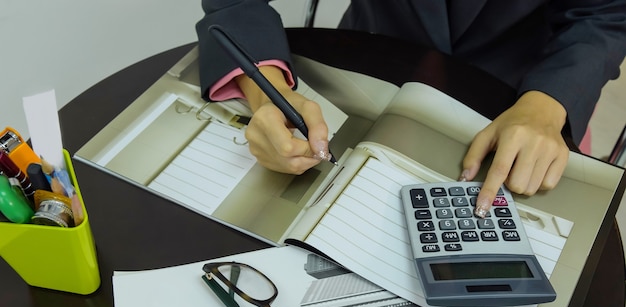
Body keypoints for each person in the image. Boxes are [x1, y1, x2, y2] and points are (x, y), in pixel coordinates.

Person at [196, 0, 626, 216]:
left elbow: (606, 12)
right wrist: (266, 88)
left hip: (527, 99)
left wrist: (549, 104)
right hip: (370, 54)